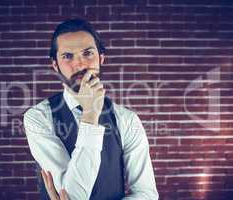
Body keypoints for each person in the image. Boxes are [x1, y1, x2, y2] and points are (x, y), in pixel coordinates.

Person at [23, 18, 159, 200]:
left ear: (101, 58)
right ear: (55, 65)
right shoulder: (38, 117)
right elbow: (73, 196)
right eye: (67, 56)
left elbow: (147, 194)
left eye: (87, 53)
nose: (80, 64)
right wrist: (90, 115)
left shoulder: (127, 119)